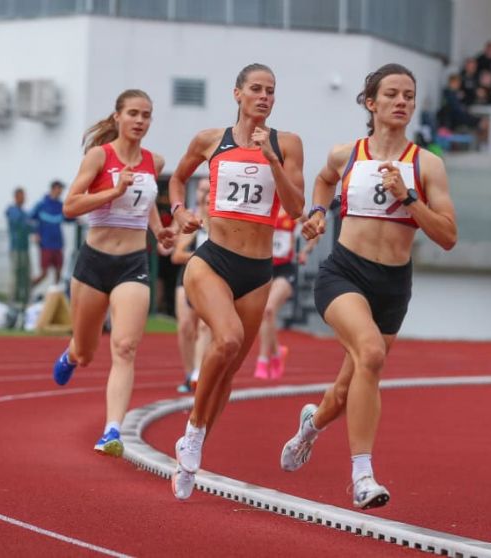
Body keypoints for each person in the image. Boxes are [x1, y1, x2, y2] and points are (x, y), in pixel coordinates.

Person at [279, 63, 457, 509]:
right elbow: (323, 180)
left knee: (346, 390)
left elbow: (448, 236)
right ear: (371, 103)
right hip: (344, 274)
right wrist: (317, 213)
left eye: (409, 95)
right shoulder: (347, 154)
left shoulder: (427, 165)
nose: (402, 102)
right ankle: (362, 477)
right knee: (371, 353)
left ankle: (310, 427)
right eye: (392, 94)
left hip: (392, 286)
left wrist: (408, 197)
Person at [168, 63, 305, 500]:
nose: (264, 97)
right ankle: (192, 434)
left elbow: (296, 207)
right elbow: (177, 178)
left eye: (271, 91)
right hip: (213, 260)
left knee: (228, 371)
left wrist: (273, 161)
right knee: (225, 340)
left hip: (258, 271)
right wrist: (179, 211)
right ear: (238, 94)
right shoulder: (210, 140)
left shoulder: (287, 144)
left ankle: (194, 443)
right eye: (256, 89)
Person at [50, 89, 174, 458]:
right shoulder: (99, 157)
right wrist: (112, 192)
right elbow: (70, 206)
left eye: (146, 115)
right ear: (118, 116)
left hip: (132, 265)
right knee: (87, 351)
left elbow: (146, 203)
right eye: (133, 113)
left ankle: (112, 430)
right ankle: (72, 355)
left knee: (125, 347)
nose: (140, 120)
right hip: (94, 264)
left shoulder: (154, 161)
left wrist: (159, 230)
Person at [253, 207, 317, 380]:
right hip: (265, 268)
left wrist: (305, 251)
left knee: (268, 309)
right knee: (266, 315)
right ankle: (277, 352)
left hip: (285, 270)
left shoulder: (293, 211)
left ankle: (262, 360)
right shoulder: (264, 207)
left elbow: (315, 230)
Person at [170, 177, 212, 393]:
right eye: (202, 192)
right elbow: (176, 255)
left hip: (211, 281)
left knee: (205, 327)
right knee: (186, 327)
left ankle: (198, 373)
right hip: (187, 278)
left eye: (209, 192)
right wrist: (200, 256)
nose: (205, 197)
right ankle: (189, 374)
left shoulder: (220, 225)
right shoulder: (192, 222)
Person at [30, 180, 71, 288]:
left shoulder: (61, 206)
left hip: (58, 244)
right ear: (53, 189)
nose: (60, 191)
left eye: (62, 189)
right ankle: (28, 288)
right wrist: (35, 233)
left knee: (58, 272)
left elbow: (69, 218)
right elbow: (30, 219)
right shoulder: (41, 204)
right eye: (59, 189)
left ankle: (55, 294)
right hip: (45, 244)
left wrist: (78, 218)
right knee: (44, 274)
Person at [5, 187, 33, 305]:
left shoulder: (25, 213)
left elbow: (30, 227)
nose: (24, 198)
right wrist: (28, 223)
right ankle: (13, 300)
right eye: (22, 196)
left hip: (25, 247)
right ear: (16, 197)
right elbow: (20, 223)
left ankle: (25, 300)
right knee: (15, 275)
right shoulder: (11, 210)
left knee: (26, 275)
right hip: (15, 248)